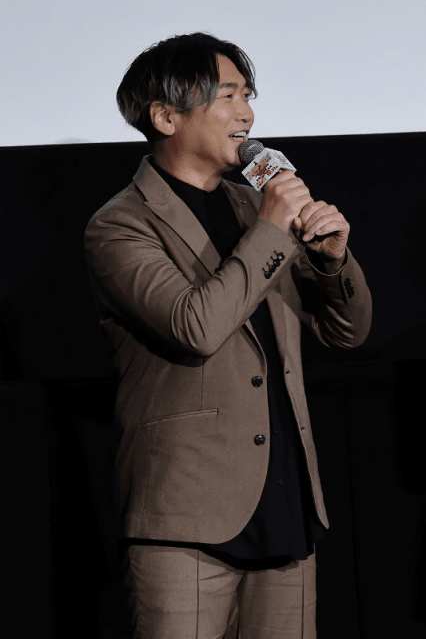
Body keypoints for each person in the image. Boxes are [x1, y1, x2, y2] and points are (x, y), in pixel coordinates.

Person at [84, 32, 372, 639]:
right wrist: (272, 228)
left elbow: (347, 332)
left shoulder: (254, 207)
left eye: (249, 97)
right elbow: (196, 326)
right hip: (187, 517)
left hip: (286, 504)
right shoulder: (120, 225)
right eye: (228, 96)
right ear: (166, 117)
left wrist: (331, 262)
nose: (247, 115)